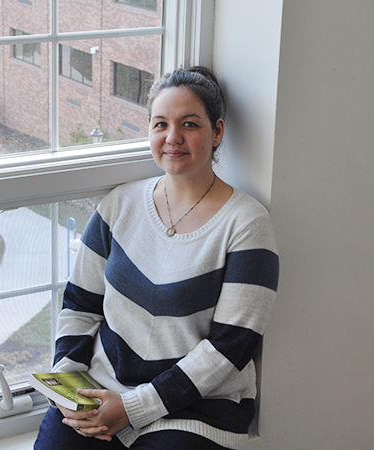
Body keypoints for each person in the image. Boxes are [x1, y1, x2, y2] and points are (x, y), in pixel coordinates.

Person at [33, 66, 279, 449]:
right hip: (101, 391)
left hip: (197, 409)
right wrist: (67, 383)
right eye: (160, 124)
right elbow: (80, 304)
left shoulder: (246, 223)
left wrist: (133, 408)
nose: (173, 138)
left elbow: (231, 346)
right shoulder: (118, 205)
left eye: (190, 124)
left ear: (217, 132)